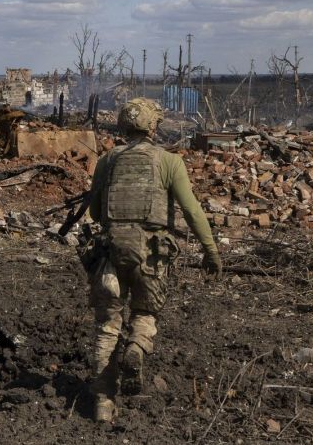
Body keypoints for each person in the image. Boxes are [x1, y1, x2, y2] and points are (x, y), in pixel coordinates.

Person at [81, 97, 223, 423]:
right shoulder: (169, 162)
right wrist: (210, 251)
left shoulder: (107, 160)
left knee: (106, 327)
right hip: (150, 257)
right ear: (154, 126)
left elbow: (95, 211)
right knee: (145, 313)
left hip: (111, 253)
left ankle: (103, 402)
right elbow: (192, 210)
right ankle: (137, 346)